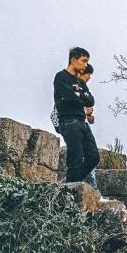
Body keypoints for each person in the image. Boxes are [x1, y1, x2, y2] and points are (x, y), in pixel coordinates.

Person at [52, 46, 100, 185]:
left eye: (87, 62)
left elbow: (91, 100)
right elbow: (70, 97)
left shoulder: (80, 82)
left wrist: (79, 95)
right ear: (73, 60)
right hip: (68, 121)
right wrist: (80, 96)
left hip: (82, 122)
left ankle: (72, 183)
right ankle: (71, 188)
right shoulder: (61, 77)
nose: (85, 65)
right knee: (76, 159)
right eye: (83, 61)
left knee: (93, 157)